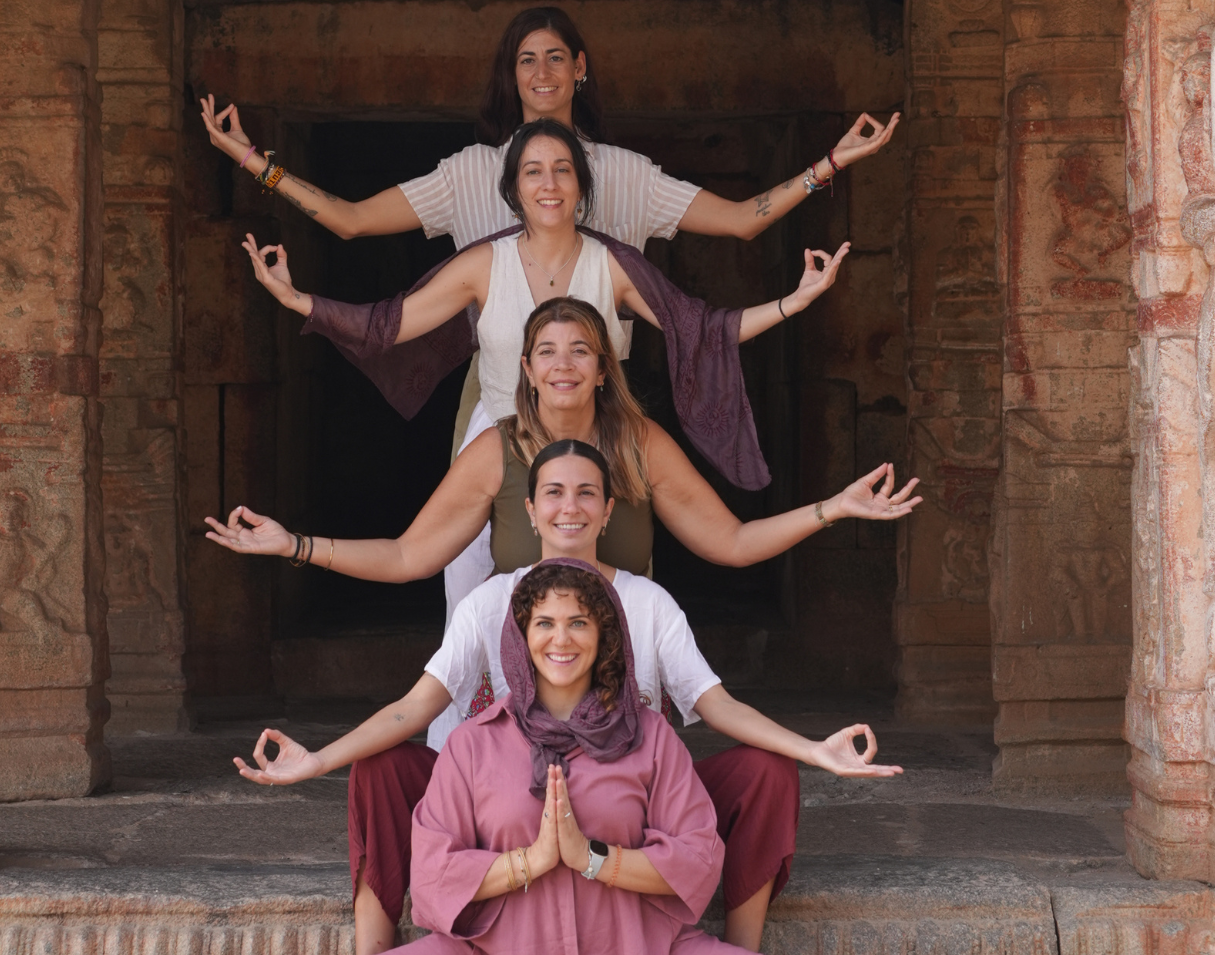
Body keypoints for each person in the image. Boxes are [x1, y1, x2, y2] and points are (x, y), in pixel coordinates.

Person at [34, 562, 1111, 955]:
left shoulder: (647, 735)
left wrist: (593, 860)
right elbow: (431, 864)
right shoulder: (476, 742)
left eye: (578, 623)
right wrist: (521, 868)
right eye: (543, 622)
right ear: (520, 635)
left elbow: (695, 856)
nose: (560, 639)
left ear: (605, 636)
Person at [236, 437, 905, 955]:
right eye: (553, 492)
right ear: (529, 510)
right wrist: (318, 760)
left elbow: (718, 705)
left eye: (588, 493)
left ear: (609, 510)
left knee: (765, 771)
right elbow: (415, 708)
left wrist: (815, 750)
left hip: (621, 808)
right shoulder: (492, 599)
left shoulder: (647, 601)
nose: (570, 507)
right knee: (382, 769)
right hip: (506, 802)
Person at [243, 115, 844, 608]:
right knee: (471, 597)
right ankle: (475, 736)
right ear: (513, 189)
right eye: (533, 171)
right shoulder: (486, 264)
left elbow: (704, 328)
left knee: (621, 584)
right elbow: (388, 324)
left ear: (582, 187)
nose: (549, 183)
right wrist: (299, 301)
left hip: (595, 437)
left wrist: (794, 302)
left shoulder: (613, 268)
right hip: (502, 440)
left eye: (562, 170)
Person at [205, 293, 922, 686]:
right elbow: (406, 557)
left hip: (621, 663)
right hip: (528, 661)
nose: (564, 364)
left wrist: (836, 507)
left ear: (604, 367)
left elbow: (729, 542)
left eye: (581, 349)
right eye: (547, 351)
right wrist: (292, 546)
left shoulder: (639, 444)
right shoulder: (498, 448)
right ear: (525, 368)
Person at [200, 1, 899, 256]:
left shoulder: (624, 173)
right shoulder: (470, 172)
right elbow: (349, 221)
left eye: (555, 57)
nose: (541, 73)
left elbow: (745, 220)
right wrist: (255, 163)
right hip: (500, 396)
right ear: (510, 74)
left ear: (580, 69)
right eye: (525, 60)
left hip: (602, 389)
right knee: (472, 573)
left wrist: (830, 164)